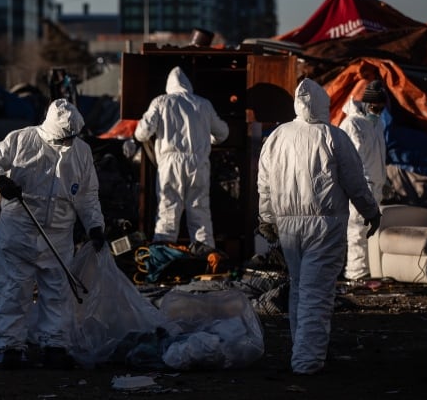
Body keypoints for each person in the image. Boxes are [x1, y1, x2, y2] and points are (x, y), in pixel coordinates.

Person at [257, 78, 381, 375]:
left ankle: (302, 350)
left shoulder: (278, 136)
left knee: (300, 289)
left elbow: (264, 184)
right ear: (324, 104)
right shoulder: (334, 137)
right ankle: (307, 361)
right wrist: (371, 212)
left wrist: (267, 219)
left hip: (288, 225)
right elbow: (355, 182)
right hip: (324, 225)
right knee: (316, 293)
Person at [0, 98, 106, 370]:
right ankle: (11, 346)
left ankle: (54, 345)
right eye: (64, 139)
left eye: (72, 138)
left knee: (58, 290)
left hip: (58, 234)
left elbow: (87, 194)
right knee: (13, 288)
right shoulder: (22, 140)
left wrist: (95, 226)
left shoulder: (81, 151)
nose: (67, 144)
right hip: (19, 229)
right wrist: (0, 180)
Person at [131, 66, 229, 247]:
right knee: (199, 211)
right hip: (198, 162)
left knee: (168, 209)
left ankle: (164, 256)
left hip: (170, 163)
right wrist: (207, 138)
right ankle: (206, 258)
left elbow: (142, 134)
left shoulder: (161, 102)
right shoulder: (203, 104)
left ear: (169, 86)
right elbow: (222, 133)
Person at [338, 79, 387, 281]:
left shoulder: (376, 124)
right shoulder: (352, 124)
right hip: (361, 186)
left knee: (369, 231)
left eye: (381, 108)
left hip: (375, 186)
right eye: (375, 107)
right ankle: (356, 274)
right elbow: (349, 160)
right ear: (367, 104)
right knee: (357, 230)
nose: (378, 112)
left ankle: (367, 272)